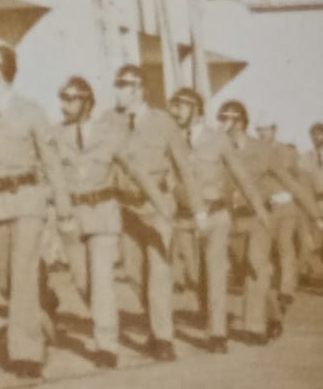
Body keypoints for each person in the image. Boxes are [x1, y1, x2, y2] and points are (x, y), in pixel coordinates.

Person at [0, 38, 72, 378]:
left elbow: (51, 160)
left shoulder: (31, 111)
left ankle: (26, 353)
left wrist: (63, 208)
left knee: (22, 274)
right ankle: (43, 302)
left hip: (26, 200)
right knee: (5, 277)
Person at [109, 64, 202, 362]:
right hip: (126, 207)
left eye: (123, 85)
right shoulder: (112, 122)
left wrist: (198, 209)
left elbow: (184, 168)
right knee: (133, 273)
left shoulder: (163, 122)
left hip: (158, 206)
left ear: (138, 88)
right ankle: (155, 323)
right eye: (116, 84)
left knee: (159, 272)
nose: (117, 91)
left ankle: (163, 338)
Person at [168, 88, 268, 352]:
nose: (177, 110)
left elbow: (242, 176)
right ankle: (209, 316)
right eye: (175, 105)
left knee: (216, 275)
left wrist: (261, 212)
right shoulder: (171, 139)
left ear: (197, 110)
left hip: (216, 215)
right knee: (194, 276)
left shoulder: (218, 139)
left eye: (182, 105)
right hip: (185, 218)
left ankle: (217, 333)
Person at [218, 101, 323, 343]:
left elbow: (290, 182)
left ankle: (254, 327)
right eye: (222, 118)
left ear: (242, 122)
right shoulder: (219, 148)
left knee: (257, 264)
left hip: (259, 216)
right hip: (233, 219)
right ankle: (273, 314)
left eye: (231, 118)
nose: (226, 123)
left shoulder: (262, 150)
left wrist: (315, 216)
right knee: (245, 269)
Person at [52, 76, 130, 367]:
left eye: (71, 98)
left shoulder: (109, 133)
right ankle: (104, 320)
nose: (65, 104)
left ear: (87, 102)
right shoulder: (54, 135)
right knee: (82, 282)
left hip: (103, 212)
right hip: (71, 215)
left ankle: (106, 344)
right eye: (62, 98)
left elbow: (129, 167)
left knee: (101, 281)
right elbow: (46, 172)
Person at [255, 115, 309, 307]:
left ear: (274, 130)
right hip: (265, 207)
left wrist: (297, 201)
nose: (262, 133)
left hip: (287, 206)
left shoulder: (288, 152)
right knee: (265, 249)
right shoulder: (255, 151)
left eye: (265, 129)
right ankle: (268, 286)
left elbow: (299, 179)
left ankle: (286, 289)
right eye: (259, 130)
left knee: (285, 246)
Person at [301, 123, 323, 286]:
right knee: (315, 239)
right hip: (314, 201)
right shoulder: (306, 157)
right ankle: (317, 273)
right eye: (314, 134)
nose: (317, 137)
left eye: (320, 133)